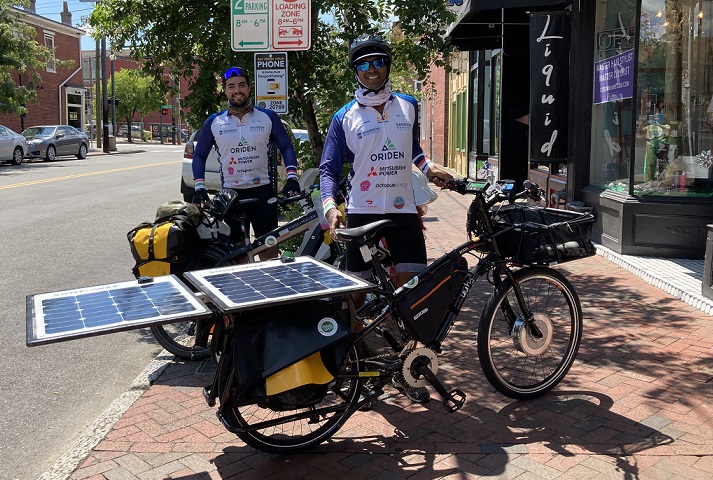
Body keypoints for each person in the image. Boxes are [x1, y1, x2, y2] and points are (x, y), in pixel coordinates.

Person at [319, 34, 453, 404]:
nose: (372, 69)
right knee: (356, 298)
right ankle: (361, 366)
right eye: (363, 64)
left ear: (387, 65)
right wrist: (331, 206)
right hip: (361, 216)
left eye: (378, 61)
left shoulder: (408, 106)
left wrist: (431, 168)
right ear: (355, 71)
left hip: (403, 214)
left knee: (412, 298)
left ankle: (409, 369)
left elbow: (413, 152)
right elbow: (329, 170)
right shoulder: (344, 117)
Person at [192, 66, 301, 260]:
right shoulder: (214, 122)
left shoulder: (267, 117)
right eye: (231, 86)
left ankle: (270, 290)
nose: (237, 90)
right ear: (224, 90)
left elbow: (286, 147)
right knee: (238, 255)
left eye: (242, 85)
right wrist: (199, 187)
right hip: (232, 197)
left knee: (269, 252)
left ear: (249, 88)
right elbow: (199, 155)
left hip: (263, 193)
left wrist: (292, 177)